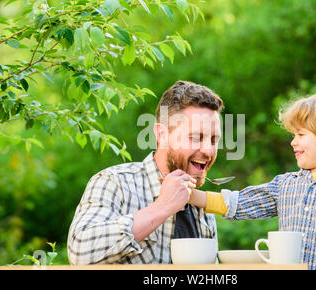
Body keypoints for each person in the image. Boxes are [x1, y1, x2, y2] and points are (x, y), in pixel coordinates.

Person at [189, 89, 316, 270]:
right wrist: (189, 195)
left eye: (301, 134)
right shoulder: (286, 185)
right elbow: (239, 203)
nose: (293, 142)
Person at [67, 80, 224, 264]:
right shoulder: (114, 183)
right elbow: (79, 253)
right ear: (162, 135)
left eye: (214, 140)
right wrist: (163, 207)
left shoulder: (202, 209)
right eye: (196, 137)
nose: (207, 150)